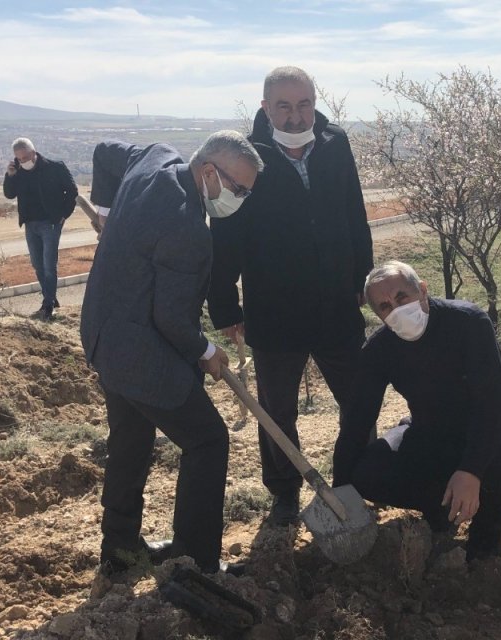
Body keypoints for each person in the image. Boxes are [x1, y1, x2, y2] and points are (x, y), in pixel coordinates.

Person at [80, 131, 263, 577]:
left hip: (103, 333)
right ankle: (196, 558)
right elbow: (172, 321)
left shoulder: (155, 159)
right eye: (238, 189)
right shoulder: (187, 229)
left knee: (131, 440)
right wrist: (206, 352)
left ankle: (120, 549)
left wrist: (103, 209)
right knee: (207, 440)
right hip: (140, 351)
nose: (241, 199)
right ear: (207, 172)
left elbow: (104, 152)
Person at [208, 66, 374, 525]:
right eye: (284, 105)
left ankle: (356, 480)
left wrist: (363, 279)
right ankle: (283, 494)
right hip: (274, 310)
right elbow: (225, 236)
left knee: (359, 401)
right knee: (277, 412)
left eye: (304, 104)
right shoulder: (245, 157)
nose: (297, 116)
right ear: (265, 108)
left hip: (337, 304)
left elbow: (353, 213)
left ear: (315, 102)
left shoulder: (335, 145)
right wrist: (225, 307)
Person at [332, 261, 501, 563]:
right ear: (377, 315)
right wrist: (340, 492)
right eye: (385, 306)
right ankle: (440, 512)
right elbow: (357, 420)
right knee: (367, 472)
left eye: (401, 297)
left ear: (422, 291)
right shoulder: (379, 350)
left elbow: (494, 404)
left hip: (491, 431)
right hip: (428, 432)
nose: (396, 309)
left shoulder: (468, 322)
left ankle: (486, 537)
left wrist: (471, 470)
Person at [3, 137, 78, 320]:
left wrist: (63, 215)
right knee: (37, 264)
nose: (23, 161)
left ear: (33, 152)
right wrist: (10, 176)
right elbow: (9, 194)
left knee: (49, 265)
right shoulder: (18, 172)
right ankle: (51, 298)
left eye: (25, 157)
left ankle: (47, 305)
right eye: (19, 159)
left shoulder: (55, 167)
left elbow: (72, 191)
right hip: (30, 224)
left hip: (50, 223)